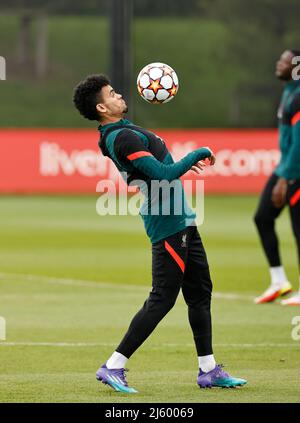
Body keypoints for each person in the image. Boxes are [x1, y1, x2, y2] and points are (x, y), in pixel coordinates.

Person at [73, 74, 247, 393]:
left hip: (182, 218)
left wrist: (179, 163)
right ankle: (113, 365)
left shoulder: (122, 131)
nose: (119, 95)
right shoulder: (122, 137)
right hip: (167, 222)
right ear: (102, 106)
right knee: (163, 297)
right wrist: (199, 152)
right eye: (112, 94)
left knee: (199, 292)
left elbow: (161, 169)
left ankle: (208, 369)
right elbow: (164, 175)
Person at [254, 49, 300, 305]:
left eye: (284, 61)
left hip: (296, 170)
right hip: (286, 167)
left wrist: (286, 178)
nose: (278, 63)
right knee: (262, 218)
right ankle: (279, 281)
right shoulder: (288, 92)